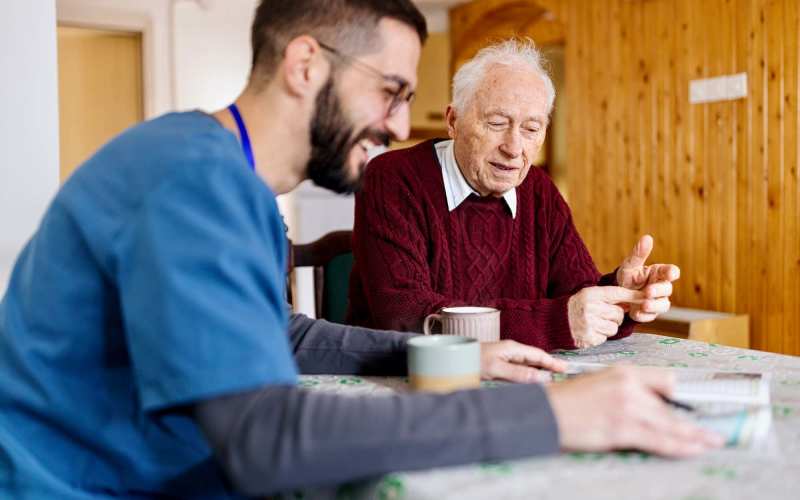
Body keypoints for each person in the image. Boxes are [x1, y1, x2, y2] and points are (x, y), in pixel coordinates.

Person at [0, 2, 721, 499]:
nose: (403, 123)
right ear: (307, 64)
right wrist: (557, 417)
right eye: (389, 91)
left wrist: (447, 355)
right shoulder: (188, 180)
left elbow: (284, 334)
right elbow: (264, 438)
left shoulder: (231, 182)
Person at [348, 40, 680, 351]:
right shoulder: (391, 178)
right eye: (496, 123)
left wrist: (621, 296)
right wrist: (556, 321)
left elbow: (575, 296)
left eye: (531, 129)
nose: (514, 148)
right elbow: (406, 316)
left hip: (512, 381)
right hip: (406, 384)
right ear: (453, 121)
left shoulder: (538, 190)